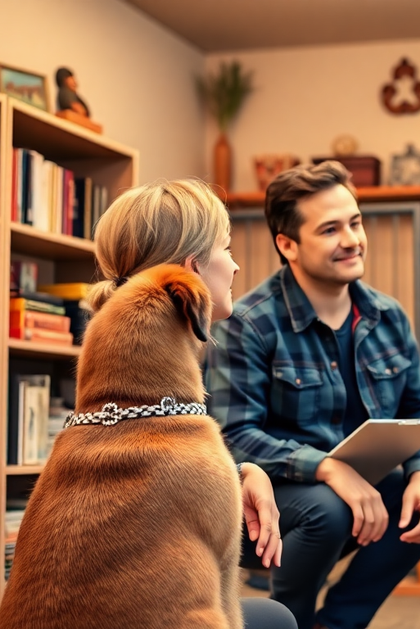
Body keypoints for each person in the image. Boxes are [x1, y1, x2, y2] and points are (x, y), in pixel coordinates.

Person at [205, 161, 420, 629]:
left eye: (355, 223)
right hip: (264, 505)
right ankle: (290, 619)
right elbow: (231, 437)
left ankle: (336, 624)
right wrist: (328, 467)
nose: (352, 240)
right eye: (331, 229)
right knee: (327, 509)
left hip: (352, 492)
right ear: (288, 245)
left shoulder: (387, 316)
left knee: (419, 500)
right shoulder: (248, 323)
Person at [88, 178, 297, 629]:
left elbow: (153, 468)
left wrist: (240, 473)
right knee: (277, 619)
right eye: (227, 248)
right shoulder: (158, 388)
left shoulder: (115, 371)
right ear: (192, 271)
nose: (236, 266)